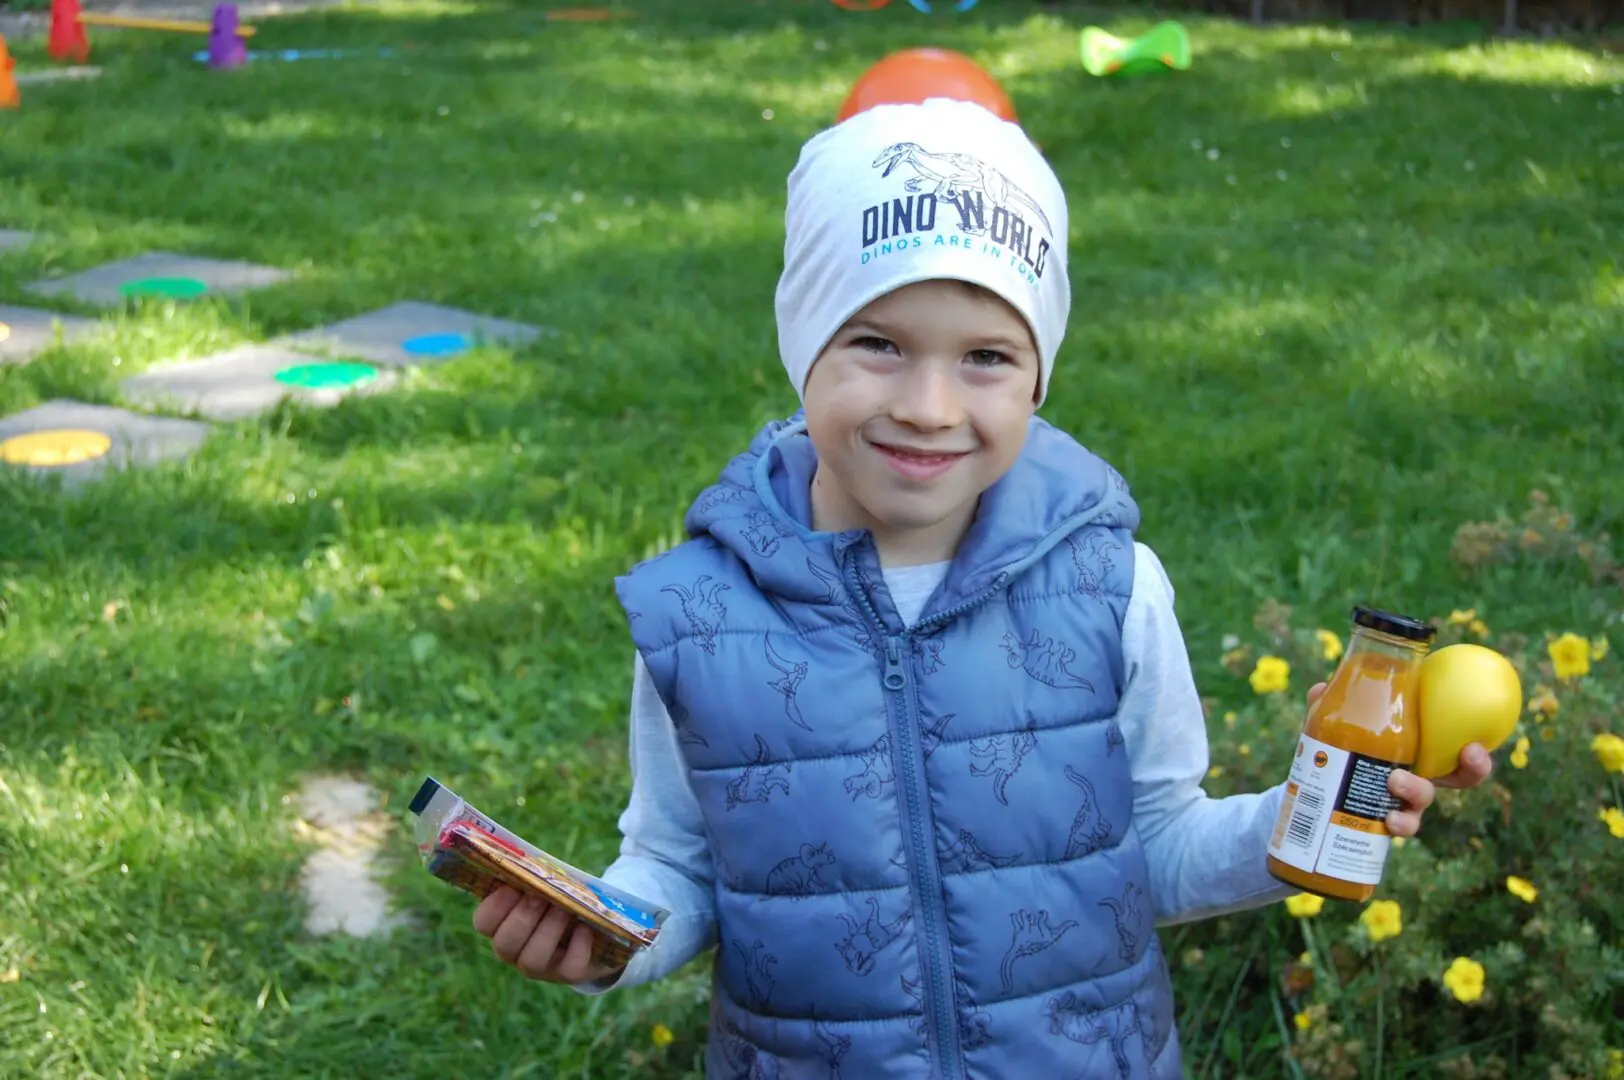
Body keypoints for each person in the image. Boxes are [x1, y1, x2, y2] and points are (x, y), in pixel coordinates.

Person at [472, 98, 1494, 1078]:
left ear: (1038, 376)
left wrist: (1311, 818)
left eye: (987, 357)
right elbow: (682, 869)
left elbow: (1156, 849)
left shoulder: (1111, 589)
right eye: (878, 343)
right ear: (802, 343)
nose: (928, 406)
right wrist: (603, 936)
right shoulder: (702, 618)